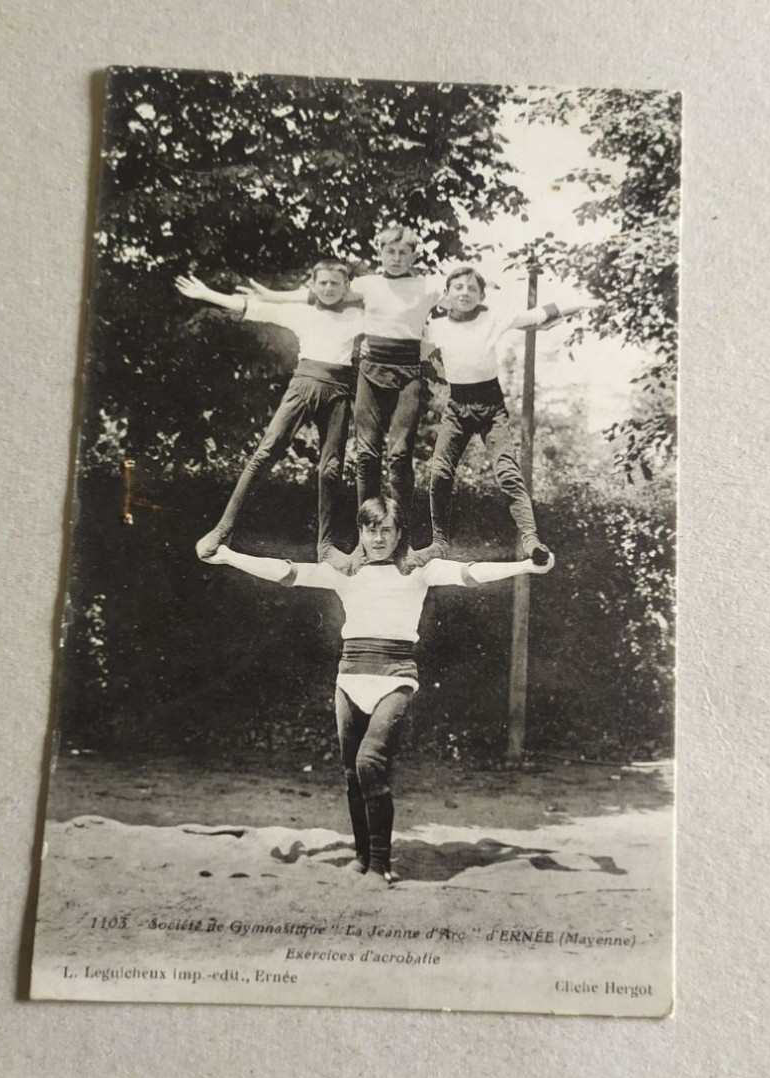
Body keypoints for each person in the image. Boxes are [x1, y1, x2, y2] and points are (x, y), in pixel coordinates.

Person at [197, 496, 554, 884]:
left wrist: (525, 567)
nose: (378, 538)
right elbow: (288, 573)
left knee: (370, 763)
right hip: (349, 678)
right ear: (361, 532)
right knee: (353, 773)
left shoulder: (419, 570)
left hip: (396, 675)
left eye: (386, 530)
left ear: (399, 533)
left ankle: (381, 864)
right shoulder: (344, 572)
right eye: (371, 529)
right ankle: (362, 855)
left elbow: (469, 574)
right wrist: (229, 557)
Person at [244, 225, 443, 542]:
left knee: (400, 454)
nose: (395, 258)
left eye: (403, 252)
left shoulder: (428, 285)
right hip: (371, 369)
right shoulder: (368, 284)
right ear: (380, 253)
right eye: (389, 251)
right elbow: (321, 293)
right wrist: (271, 296)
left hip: (408, 371)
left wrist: (433, 342)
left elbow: (462, 300)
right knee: (366, 455)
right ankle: (368, 538)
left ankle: (401, 540)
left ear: (413, 256)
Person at [175, 260, 363, 565]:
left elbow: (392, 319)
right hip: (303, 385)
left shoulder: (358, 315)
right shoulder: (301, 311)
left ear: (346, 287)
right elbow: (251, 306)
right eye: (323, 283)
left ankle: (326, 546)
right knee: (265, 453)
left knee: (331, 469)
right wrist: (207, 293)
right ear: (313, 285)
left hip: (338, 393)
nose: (329, 289)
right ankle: (223, 529)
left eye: (335, 284)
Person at [421, 265, 593, 564]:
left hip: (490, 406)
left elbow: (534, 316)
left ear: (482, 296)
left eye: (472, 289)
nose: (465, 293)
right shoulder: (435, 327)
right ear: (447, 294)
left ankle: (530, 538)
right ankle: (438, 542)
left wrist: (578, 304)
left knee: (507, 472)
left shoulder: (492, 317)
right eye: (458, 288)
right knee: (439, 472)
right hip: (457, 405)